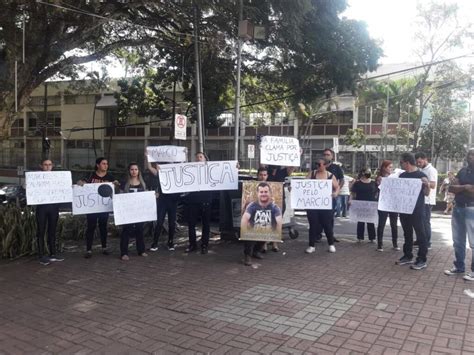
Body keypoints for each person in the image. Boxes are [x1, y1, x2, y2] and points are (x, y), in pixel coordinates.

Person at [77, 157, 119, 258]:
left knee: (103, 227)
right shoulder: (91, 175)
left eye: (107, 164)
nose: (106, 165)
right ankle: (89, 250)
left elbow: (116, 188)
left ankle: (104, 247)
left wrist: (116, 185)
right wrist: (81, 183)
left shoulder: (110, 176)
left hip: (104, 207)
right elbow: (80, 183)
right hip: (92, 207)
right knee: (91, 227)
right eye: (103, 163)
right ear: (98, 165)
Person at [396, 152, 430, 270]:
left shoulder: (421, 175)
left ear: (407, 162)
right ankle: (407, 255)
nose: (401, 165)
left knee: (420, 234)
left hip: (417, 210)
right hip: (404, 209)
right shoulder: (402, 176)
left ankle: (422, 259)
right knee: (407, 233)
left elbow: (426, 193)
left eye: (402, 162)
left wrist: (427, 186)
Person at [444, 149, 474, 280]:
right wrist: (465, 187)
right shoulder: (463, 170)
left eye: (473, 154)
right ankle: (459, 267)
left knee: (473, 242)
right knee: (458, 240)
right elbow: (450, 188)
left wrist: (460, 187)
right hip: (458, 208)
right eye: (469, 154)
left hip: (471, 209)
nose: (470, 157)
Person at [241, 180, 283, 266]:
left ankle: (256, 252)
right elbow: (245, 219)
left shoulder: (274, 207)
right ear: (258, 193)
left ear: (270, 193)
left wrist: (276, 234)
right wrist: (244, 231)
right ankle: (247, 255)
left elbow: (279, 221)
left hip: (266, 229)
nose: (263, 194)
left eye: (266, 192)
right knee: (249, 235)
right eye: (261, 192)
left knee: (266, 233)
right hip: (253, 229)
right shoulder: (252, 205)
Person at [305, 157, 340, 254]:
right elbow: (303, 185)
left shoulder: (330, 175)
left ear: (325, 165)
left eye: (319, 164)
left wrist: (335, 194)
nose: (317, 166)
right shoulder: (311, 174)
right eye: (316, 164)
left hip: (326, 205)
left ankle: (331, 244)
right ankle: (311, 245)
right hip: (313, 205)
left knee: (327, 225)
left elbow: (337, 187)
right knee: (313, 225)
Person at [146, 156, 180, 252]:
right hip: (162, 200)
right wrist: (147, 156)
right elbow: (150, 168)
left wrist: (184, 155)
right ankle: (155, 243)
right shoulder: (161, 172)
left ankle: (171, 242)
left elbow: (184, 166)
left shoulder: (178, 173)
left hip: (173, 201)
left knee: (172, 223)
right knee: (159, 222)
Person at [35, 159, 64, 265]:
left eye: (50, 164)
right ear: (41, 166)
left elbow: (63, 188)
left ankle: (53, 254)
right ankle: (41, 255)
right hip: (42, 207)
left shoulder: (57, 177)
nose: (47, 166)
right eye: (45, 165)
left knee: (52, 231)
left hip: (54, 207)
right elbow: (27, 187)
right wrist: (28, 184)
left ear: (52, 166)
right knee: (41, 231)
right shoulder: (36, 178)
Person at [184, 152, 212, 254]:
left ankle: (204, 245)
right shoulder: (191, 170)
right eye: (197, 157)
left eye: (201, 157)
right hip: (193, 201)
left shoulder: (211, 169)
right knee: (191, 224)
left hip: (206, 200)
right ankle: (192, 245)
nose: (198, 159)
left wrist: (235, 168)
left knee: (206, 224)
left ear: (205, 159)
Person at [119, 163, 148, 261]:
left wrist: (153, 196)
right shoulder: (124, 183)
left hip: (139, 212)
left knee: (139, 230)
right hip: (128, 212)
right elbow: (120, 197)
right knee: (126, 230)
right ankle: (124, 253)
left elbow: (146, 197)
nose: (134, 171)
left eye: (136, 169)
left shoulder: (143, 183)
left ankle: (141, 250)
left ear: (138, 171)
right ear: (129, 171)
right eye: (132, 169)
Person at [265, 165, 295, 251]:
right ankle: (264, 243)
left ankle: (275, 243)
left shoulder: (282, 172)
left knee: (277, 222)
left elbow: (292, 168)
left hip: (279, 199)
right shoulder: (266, 172)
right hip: (267, 200)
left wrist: (297, 154)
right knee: (266, 221)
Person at [415, 152, 438, 249]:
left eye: (420, 162)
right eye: (417, 162)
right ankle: (420, 240)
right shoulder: (421, 169)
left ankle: (427, 243)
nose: (418, 164)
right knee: (419, 221)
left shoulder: (431, 170)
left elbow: (433, 185)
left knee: (425, 222)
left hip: (427, 200)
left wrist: (424, 182)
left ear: (425, 159)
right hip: (420, 199)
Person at [375, 160, 399, 252]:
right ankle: (380, 245)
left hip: (393, 203)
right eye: (389, 167)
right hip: (383, 203)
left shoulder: (395, 177)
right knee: (381, 224)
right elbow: (377, 189)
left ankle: (395, 243)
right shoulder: (380, 178)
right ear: (384, 168)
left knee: (394, 224)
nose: (391, 169)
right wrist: (379, 182)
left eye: (392, 167)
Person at [321, 148, 344, 242]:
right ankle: (317, 235)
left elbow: (342, 180)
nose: (326, 156)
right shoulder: (319, 166)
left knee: (330, 217)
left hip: (331, 196)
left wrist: (337, 191)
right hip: (319, 196)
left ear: (332, 156)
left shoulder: (336, 168)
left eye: (328, 154)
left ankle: (330, 235)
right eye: (324, 154)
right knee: (319, 216)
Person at [350, 167, 377, 243]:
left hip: (370, 205)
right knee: (360, 221)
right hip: (360, 204)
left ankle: (372, 238)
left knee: (370, 221)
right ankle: (360, 237)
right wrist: (350, 200)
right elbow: (352, 192)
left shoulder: (373, 182)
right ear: (362, 173)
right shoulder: (357, 183)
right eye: (367, 171)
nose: (368, 173)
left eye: (369, 171)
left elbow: (377, 192)